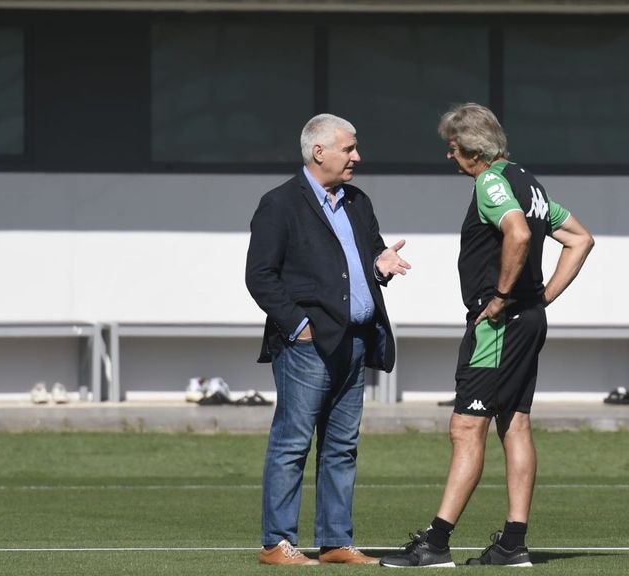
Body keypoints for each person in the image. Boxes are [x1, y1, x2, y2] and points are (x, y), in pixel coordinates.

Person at [380, 103, 594, 568]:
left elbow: (516, 234)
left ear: (472, 150)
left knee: (466, 426)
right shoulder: (528, 181)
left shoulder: (491, 182)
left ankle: (435, 544)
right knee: (514, 422)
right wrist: (542, 299)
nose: (449, 157)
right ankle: (513, 544)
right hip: (527, 319)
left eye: (452, 149)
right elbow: (580, 239)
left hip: (498, 325)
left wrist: (500, 297)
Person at [245, 113, 410, 566]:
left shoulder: (357, 201)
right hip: (306, 347)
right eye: (349, 148)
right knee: (293, 443)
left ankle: (336, 542)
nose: (357, 156)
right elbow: (260, 276)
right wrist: (299, 326)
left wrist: (381, 268)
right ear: (320, 152)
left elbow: (367, 258)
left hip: (355, 342)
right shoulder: (280, 204)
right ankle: (276, 544)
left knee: (342, 446)